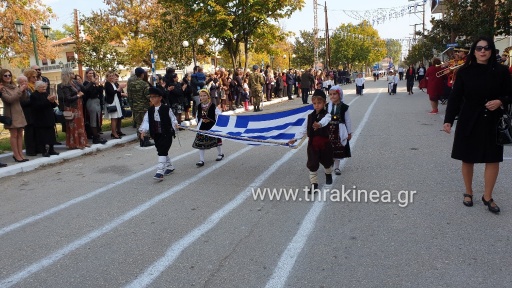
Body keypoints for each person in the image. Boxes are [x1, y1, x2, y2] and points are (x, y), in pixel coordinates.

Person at [443, 36, 512, 214]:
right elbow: (455, 97)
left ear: (491, 50)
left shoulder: (502, 71)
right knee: (468, 157)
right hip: (469, 119)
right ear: (474, 51)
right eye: (479, 48)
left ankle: (487, 196)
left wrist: (500, 101)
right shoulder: (464, 72)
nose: (483, 51)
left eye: (487, 48)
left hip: (493, 120)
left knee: (493, 158)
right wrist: (448, 120)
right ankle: (469, 192)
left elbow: (510, 94)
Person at [288, 89, 333, 191]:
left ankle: (328, 174)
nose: (317, 105)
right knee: (312, 163)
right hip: (312, 145)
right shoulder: (309, 117)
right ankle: (314, 184)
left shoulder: (327, 115)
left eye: (319, 103)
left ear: (324, 103)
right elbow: (303, 129)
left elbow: (325, 121)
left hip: (324, 144)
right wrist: (295, 139)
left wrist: (319, 124)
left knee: (327, 161)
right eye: (314, 103)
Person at [139, 87, 179, 180]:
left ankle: (160, 172)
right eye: (151, 97)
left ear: (160, 98)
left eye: (154, 97)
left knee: (162, 150)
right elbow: (146, 121)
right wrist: (143, 131)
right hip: (156, 134)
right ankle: (169, 167)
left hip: (166, 134)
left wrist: (175, 125)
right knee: (161, 150)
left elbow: (173, 119)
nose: (152, 99)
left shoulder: (166, 109)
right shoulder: (150, 110)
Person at [319, 85, 352, 175]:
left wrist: (349, 132)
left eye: (334, 94)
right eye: (330, 94)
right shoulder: (326, 106)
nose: (332, 96)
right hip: (328, 130)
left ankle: (337, 167)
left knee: (338, 148)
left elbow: (348, 120)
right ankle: (329, 164)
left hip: (340, 130)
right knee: (328, 148)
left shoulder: (344, 107)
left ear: (339, 95)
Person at [1, 69, 29, 162]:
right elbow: (9, 99)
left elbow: (22, 99)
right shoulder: (2, 88)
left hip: (19, 111)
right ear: (1, 77)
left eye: (9, 75)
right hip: (11, 112)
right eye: (5, 75)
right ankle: (16, 155)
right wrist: (20, 90)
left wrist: (24, 91)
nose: (8, 77)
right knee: (14, 134)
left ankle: (20, 153)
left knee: (20, 133)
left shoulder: (14, 86)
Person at [57, 68, 89, 149]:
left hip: (79, 106)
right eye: (71, 73)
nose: (73, 74)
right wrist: (78, 95)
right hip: (71, 107)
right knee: (73, 125)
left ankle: (82, 142)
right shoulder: (63, 85)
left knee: (80, 124)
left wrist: (92, 82)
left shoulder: (75, 82)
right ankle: (74, 143)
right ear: (67, 75)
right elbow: (67, 98)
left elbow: (85, 89)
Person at [192, 89, 224, 167]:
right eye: (201, 96)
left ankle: (220, 153)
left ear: (208, 96)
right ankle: (201, 160)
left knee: (217, 140)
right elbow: (197, 116)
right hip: (202, 126)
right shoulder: (199, 106)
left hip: (212, 125)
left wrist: (218, 122)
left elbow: (219, 114)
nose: (202, 97)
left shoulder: (212, 105)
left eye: (204, 95)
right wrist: (199, 122)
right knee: (201, 142)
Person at [30, 81, 59, 156]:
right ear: (37, 88)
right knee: (42, 136)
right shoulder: (34, 95)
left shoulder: (46, 94)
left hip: (49, 117)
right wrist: (48, 101)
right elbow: (37, 106)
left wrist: (52, 101)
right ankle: (43, 151)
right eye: (42, 87)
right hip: (40, 118)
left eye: (44, 87)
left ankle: (51, 149)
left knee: (51, 134)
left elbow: (54, 105)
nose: (44, 88)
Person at [127, 67, 152, 146]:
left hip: (135, 107)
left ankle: (141, 140)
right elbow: (148, 96)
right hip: (144, 107)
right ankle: (146, 140)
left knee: (138, 124)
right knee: (146, 123)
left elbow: (129, 96)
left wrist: (132, 106)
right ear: (142, 74)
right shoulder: (144, 84)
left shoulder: (131, 84)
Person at [83, 68, 107, 144]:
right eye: (89, 73)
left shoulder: (94, 83)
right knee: (93, 119)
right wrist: (94, 84)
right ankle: (95, 137)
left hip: (97, 101)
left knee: (97, 119)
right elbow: (92, 94)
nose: (91, 75)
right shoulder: (86, 83)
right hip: (91, 101)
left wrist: (99, 85)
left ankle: (97, 135)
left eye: (92, 73)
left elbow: (100, 92)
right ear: (86, 74)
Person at [104, 71, 124, 139]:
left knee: (116, 118)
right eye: (110, 76)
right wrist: (119, 89)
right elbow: (111, 92)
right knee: (114, 118)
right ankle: (114, 133)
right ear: (107, 77)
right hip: (112, 102)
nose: (111, 77)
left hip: (116, 101)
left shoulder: (113, 83)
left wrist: (120, 89)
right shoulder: (107, 84)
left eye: (112, 76)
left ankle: (115, 132)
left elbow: (117, 93)